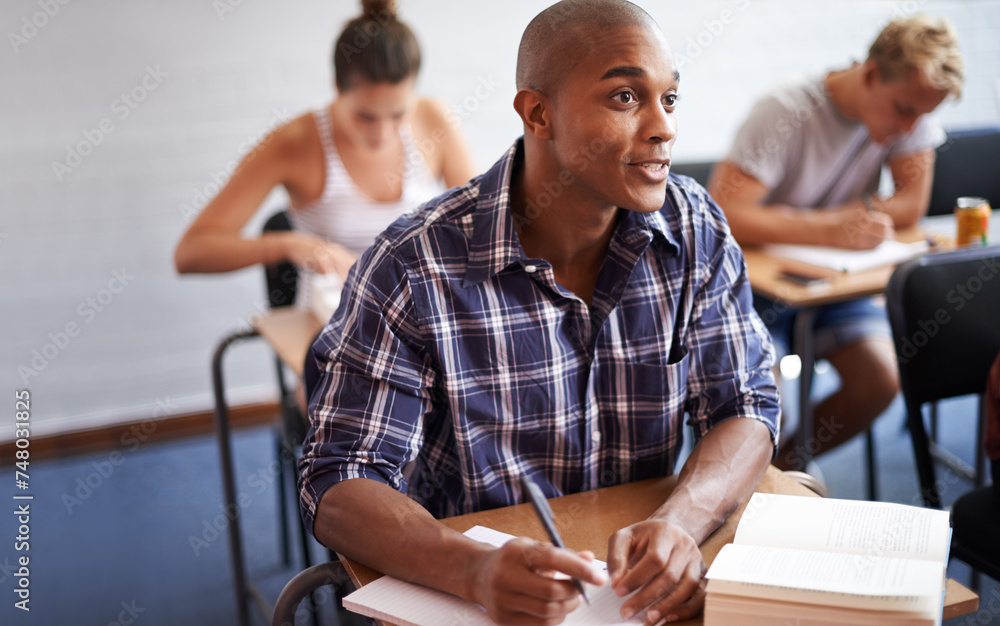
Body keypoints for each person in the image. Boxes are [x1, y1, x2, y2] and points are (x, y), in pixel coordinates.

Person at [298, 1, 780, 623]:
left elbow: (745, 402)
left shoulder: (694, 227)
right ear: (538, 112)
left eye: (671, 99)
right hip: (479, 599)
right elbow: (339, 479)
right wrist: (469, 568)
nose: (664, 128)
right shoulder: (413, 263)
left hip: (637, 600)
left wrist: (681, 523)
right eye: (627, 98)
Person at [708, 14, 964, 470]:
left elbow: (911, 204)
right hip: (758, 287)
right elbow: (725, 213)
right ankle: (752, 475)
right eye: (904, 110)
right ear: (869, 74)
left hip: (833, 284)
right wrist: (830, 229)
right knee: (762, 401)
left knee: (882, 380)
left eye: (923, 116)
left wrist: (856, 224)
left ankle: (778, 472)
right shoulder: (785, 110)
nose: (912, 129)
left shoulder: (913, 107)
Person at [174, 0, 475, 307]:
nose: (382, 134)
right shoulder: (293, 142)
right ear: (336, 88)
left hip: (420, 315)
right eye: (365, 117)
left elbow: (482, 228)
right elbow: (190, 253)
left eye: (398, 115)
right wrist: (290, 245)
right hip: (332, 327)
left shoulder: (435, 120)